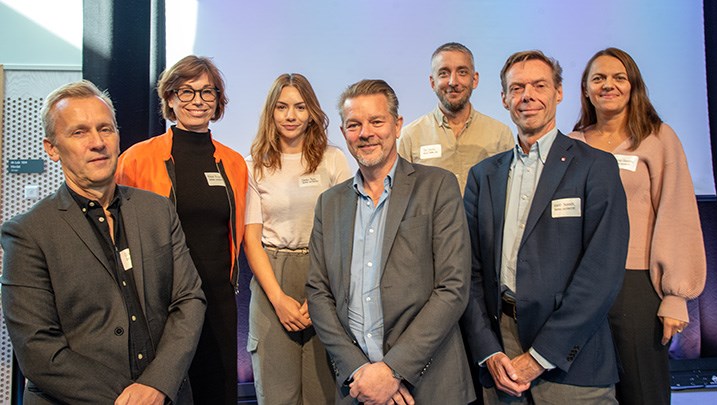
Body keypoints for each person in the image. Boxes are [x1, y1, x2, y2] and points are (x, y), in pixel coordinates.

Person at [0, 80, 206, 404]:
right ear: (52, 148)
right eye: (79, 132)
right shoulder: (27, 233)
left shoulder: (158, 210)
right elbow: (37, 349)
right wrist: (131, 399)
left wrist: (157, 385)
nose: (98, 142)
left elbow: (189, 300)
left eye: (105, 129)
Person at [461, 50, 629, 404]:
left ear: (559, 92)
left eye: (539, 85)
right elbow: (470, 272)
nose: (528, 96)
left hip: (573, 357)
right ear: (504, 98)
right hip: (501, 357)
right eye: (517, 87)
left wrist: (540, 357)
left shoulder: (595, 167)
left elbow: (601, 273)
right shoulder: (483, 176)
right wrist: (488, 351)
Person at [307, 79, 475, 404]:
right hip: (358, 389)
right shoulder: (329, 204)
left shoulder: (437, 187)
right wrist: (359, 370)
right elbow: (318, 292)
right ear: (343, 133)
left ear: (397, 126)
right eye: (354, 124)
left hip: (429, 386)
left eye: (376, 121)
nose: (365, 133)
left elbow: (453, 287)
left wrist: (392, 370)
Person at [568, 47, 706, 405]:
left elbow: (677, 213)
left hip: (636, 281)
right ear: (585, 89)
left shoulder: (658, 138)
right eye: (598, 78)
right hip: (581, 284)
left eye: (619, 77)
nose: (608, 85)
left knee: (642, 390)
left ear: (633, 86)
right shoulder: (573, 143)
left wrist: (676, 296)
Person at [115, 55, 248, 404]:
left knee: (216, 391)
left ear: (218, 101)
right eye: (186, 91)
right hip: (161, 300)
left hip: (218, 299)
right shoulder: (136, 159)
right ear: (170, 98)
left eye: (207, 92)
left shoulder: (233, 163)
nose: (197, 101)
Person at [244, 73, 351, 404]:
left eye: (300, 107)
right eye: (282, 107)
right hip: (272, 276)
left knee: (323, 391)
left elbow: (346, 231)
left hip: (324, 275)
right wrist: (278, 299)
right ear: (271, 113)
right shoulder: (253, 165)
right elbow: (252, 238)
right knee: (277, 393)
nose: (290, 116)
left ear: (312, 113)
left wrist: (319, 296)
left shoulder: (332, 160)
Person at [398, 42, 513, 193]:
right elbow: (402, 194)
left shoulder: (500, 135)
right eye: (444, 73)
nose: (453, 82)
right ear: (432, 82)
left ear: (475, 79)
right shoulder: (410, 137)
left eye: (462, 72)